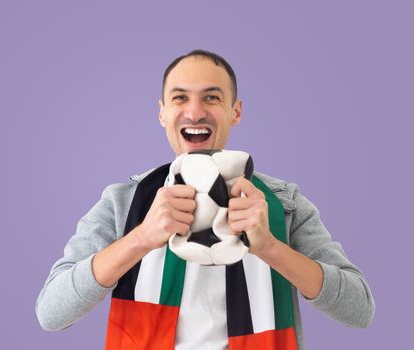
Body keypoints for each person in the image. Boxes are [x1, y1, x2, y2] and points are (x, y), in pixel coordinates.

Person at [35, 50, 375, 349]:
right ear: (162, 113)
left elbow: (359, 310)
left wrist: (271, 247)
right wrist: (139, 238)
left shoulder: (282, 203)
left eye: (211, 98)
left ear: (235, 111)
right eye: (180, 98)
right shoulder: (123, 202)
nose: (195, 112)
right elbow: (51, 312)